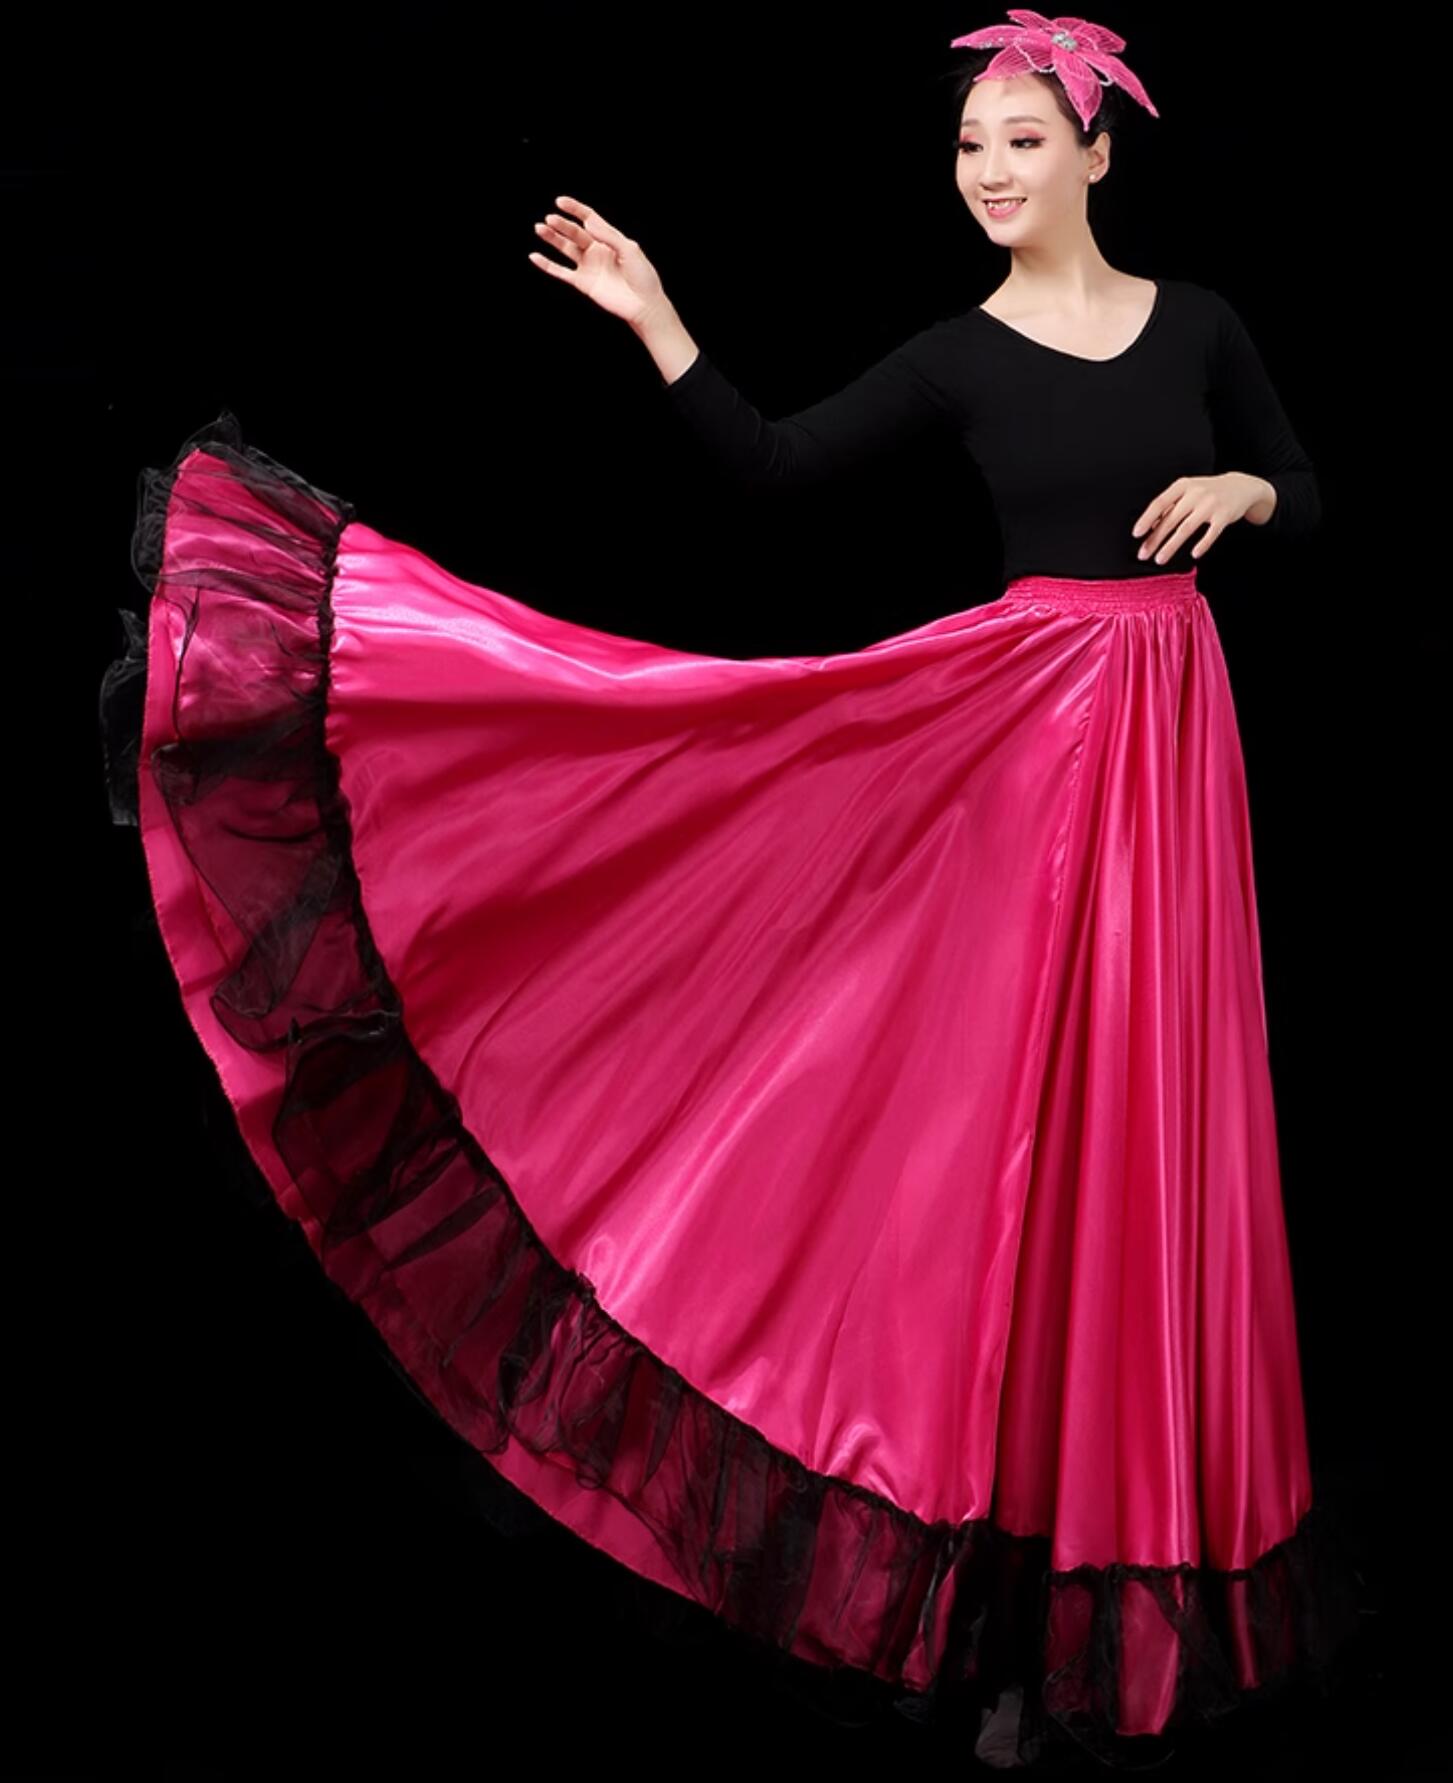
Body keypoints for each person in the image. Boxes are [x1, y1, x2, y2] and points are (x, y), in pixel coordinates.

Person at [100, 12, 1364, 1771]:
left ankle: (1126, 1583)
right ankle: (997, 1605)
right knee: (1003, 1135)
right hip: (1019, 755)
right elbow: (772, 467)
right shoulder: (958, 354)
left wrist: (1243, 486)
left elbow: (1303, 494)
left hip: (1169, 742)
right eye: (967, 148)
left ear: (1095, 154)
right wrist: (658, 322)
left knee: (1157, 1123)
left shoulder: (1201, 325)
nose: (988, 173)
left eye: (1019, 140)